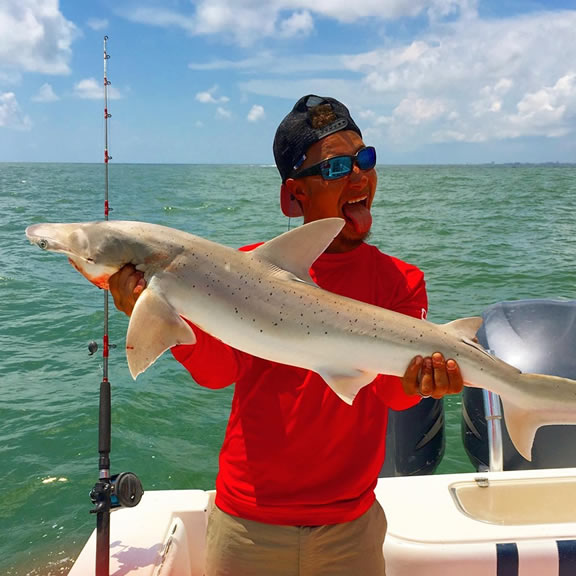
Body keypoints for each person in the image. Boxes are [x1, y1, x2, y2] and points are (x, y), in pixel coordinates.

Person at [109, 94, 464, 576]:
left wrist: (419, 383)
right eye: (337, 167)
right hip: (248, 523)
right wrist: (158, 313)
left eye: (365, 158)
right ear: (293, 195)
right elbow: (218, 373)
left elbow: (388, 394)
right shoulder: (241, 270)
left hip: (350, 526)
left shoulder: (400, 280)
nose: (359, 176)